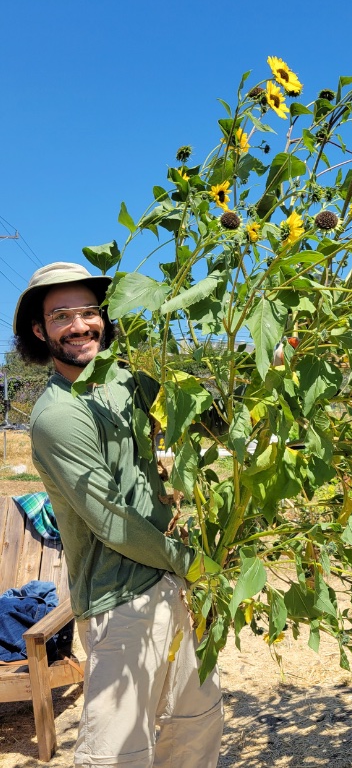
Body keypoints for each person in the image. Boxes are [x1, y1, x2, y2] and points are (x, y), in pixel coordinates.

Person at [13, 262, 223, 768]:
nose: (80, 324)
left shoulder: (126, 379)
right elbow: (113, 520)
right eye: (62, 315)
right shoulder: (58, 416)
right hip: (119, 598)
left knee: (195, 726)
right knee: (117, 751)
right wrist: (193, 564)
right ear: (40, 331)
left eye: (89, 311)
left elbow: (206, 421)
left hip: (173, 580)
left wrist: (270, 374)